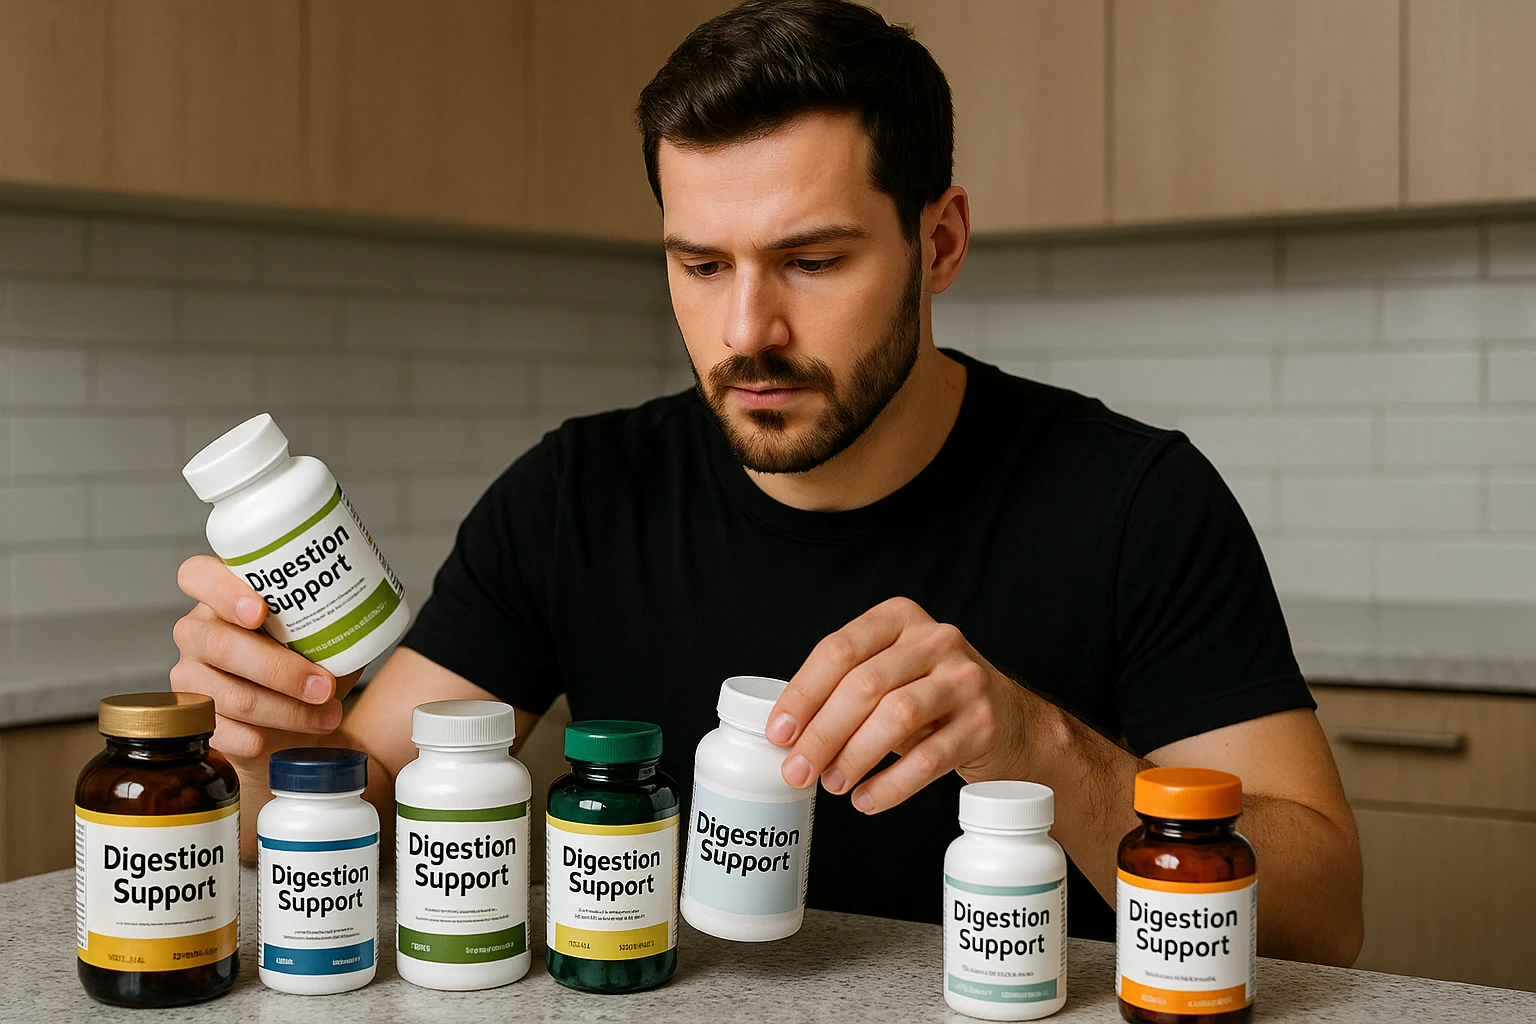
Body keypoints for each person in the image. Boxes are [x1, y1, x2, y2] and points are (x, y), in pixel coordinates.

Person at [170, 0, 1363, 964]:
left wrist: (1047, 746)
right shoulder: (577, 493)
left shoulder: (1135, 503)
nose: (748, 328)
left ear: (938, 242)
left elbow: (1324, 918)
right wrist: (276, 752)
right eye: (701, 263)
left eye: (813, 260)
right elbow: (370, 810)